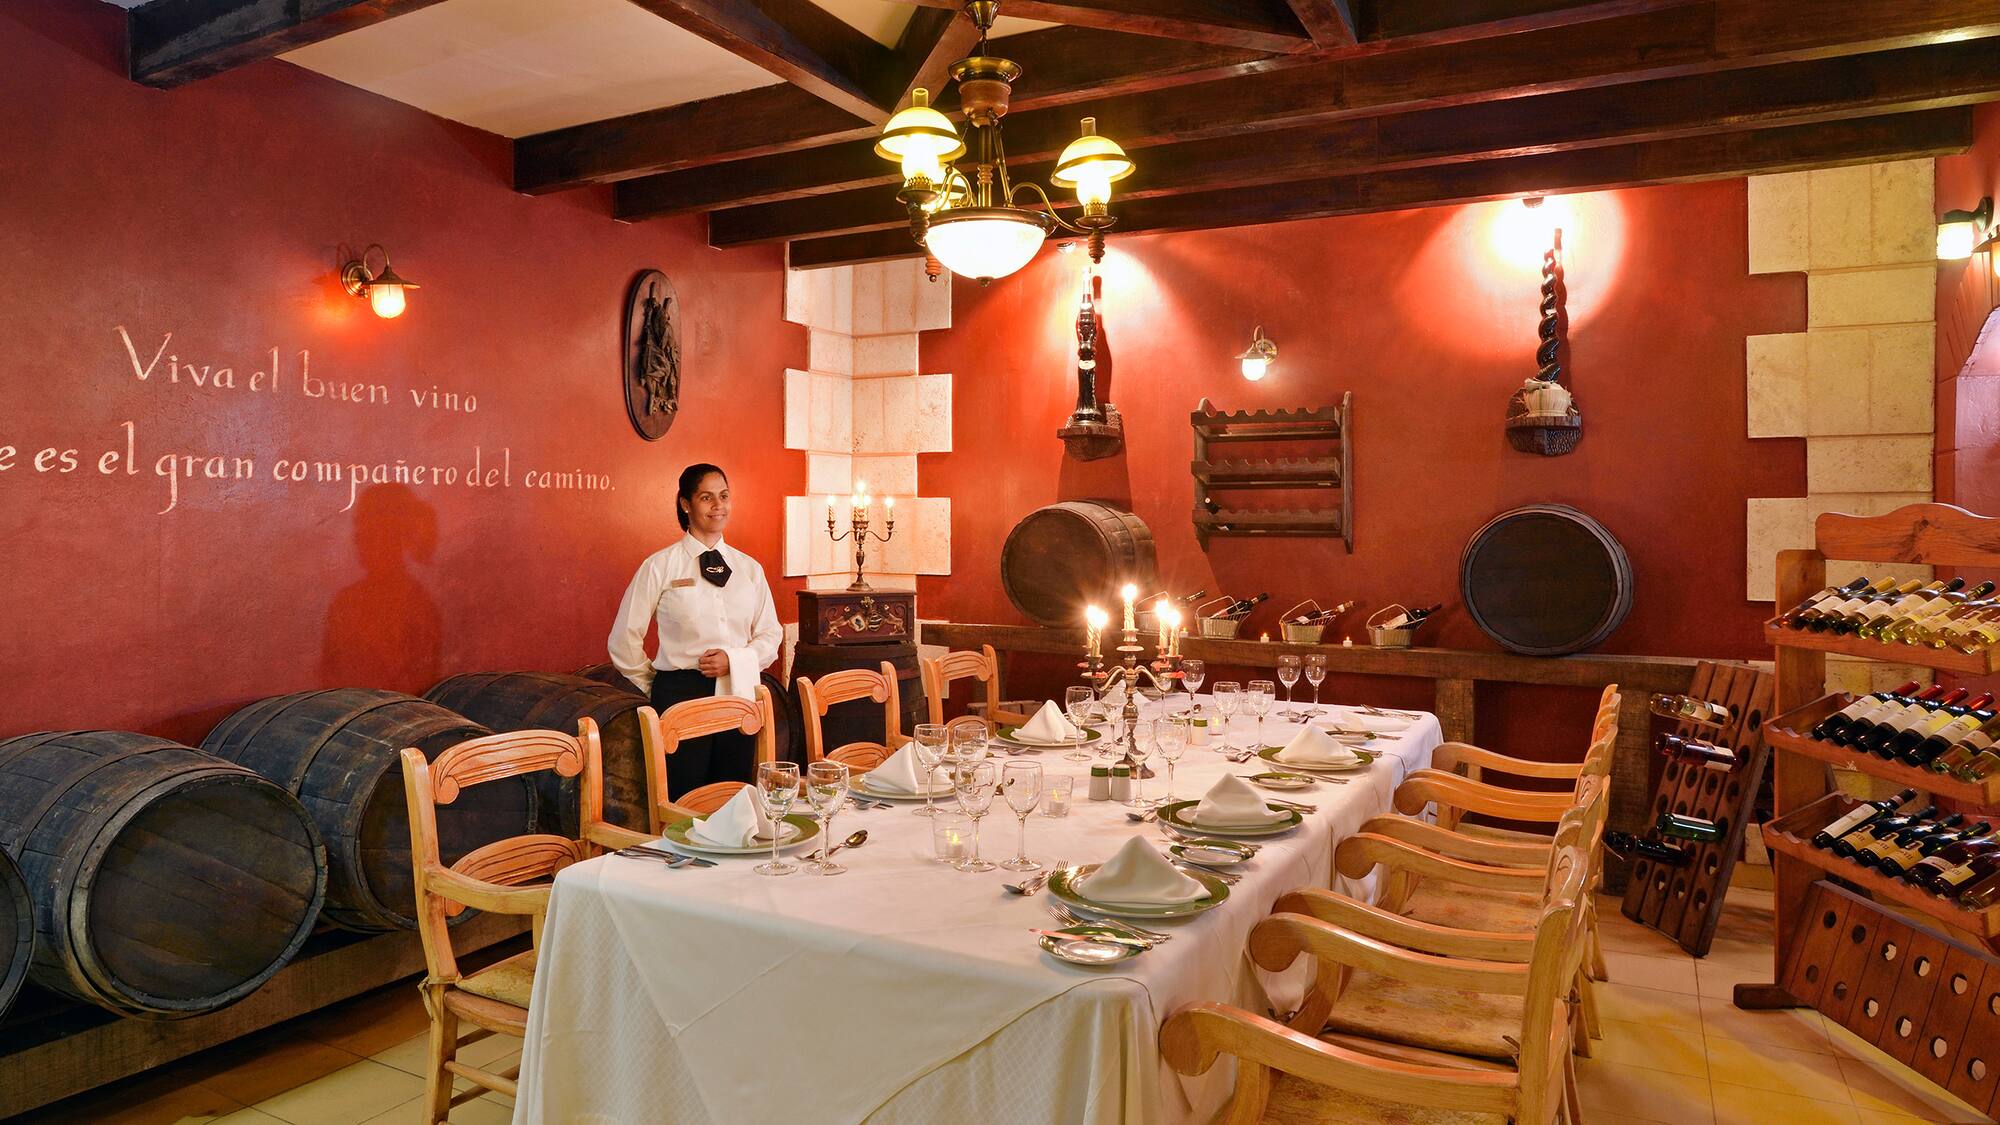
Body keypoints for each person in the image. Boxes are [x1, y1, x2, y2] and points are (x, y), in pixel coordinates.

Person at [609, 464, 782, 797]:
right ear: (685, 504)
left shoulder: (749, 569)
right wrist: (658, 686)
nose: (718, 506)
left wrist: (735, 660)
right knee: (684, 797)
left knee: (732, 795)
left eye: (724, 496)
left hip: (739, 692)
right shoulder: (659, 566)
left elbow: (770, 635)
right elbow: (623, 639)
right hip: (681, 697)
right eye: (706, 497)